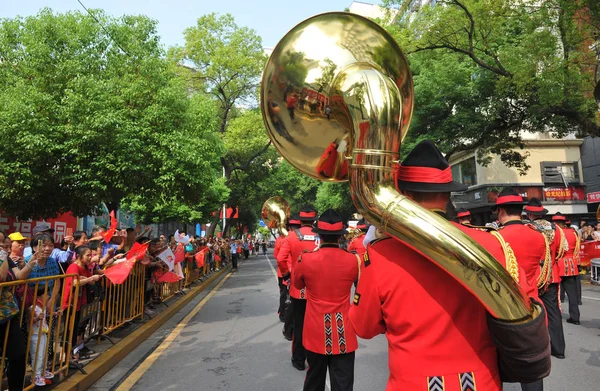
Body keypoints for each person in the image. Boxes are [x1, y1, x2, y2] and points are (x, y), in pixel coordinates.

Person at [350, 140, 549, 390]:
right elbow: (529, 312)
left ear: (405, 195)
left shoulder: (380, 254)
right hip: (481, 383)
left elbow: (364, 327)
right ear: (447, 194)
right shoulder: (491, 243)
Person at [293, 209, 359, 391]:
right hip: (344, 331)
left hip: (314, 331)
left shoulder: (306, 259)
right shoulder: (354, 260)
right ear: (340, 237)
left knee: (314, 380)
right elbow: (361, 293)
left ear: (319, 236)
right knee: (343, 384)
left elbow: (297, 286)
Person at [494, 188, 548, 391]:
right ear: (521, 210)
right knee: (532, 369)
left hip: (503, 309)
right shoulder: (539, 237)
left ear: (500, 210)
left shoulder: (495, 238)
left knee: (495, 366)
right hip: (532, 308)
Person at [524, 198, 567, 359]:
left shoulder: (528, 228)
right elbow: (562, 252)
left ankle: (536, 350)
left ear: (529, 214)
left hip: (533, 276)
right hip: (552, 276)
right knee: (554, 313)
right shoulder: (556, 229)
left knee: (532, 313)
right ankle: (559, 349)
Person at [279, 205, 319, 370]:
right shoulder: (320, 235)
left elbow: (281, 258)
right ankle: (315, 358)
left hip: (298, 290)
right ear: (314, 220)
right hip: (318, 289)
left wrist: (288, 275)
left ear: (300, 220)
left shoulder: (292, 236)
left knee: (299, 325)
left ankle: (299, 360)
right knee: (316, 325)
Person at [0, 236, 37, 391]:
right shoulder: (3, 257)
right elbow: (1, 277)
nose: (4, 246)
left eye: (5, 243)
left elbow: (19, 276)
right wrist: (2, 257)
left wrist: (30, 263)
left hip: (8, 314)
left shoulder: (6, 257)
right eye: (1, 243)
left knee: (18, 355)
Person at [61, 246, 103, 360]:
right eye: (88, 255)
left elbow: (90, 281)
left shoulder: (85, 267)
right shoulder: (74, 267)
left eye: (91, 255)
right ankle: (66, 356)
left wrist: (94, 278)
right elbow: (75, 283)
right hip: (70, 303)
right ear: (79, 256)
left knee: (76, 329)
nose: (90, 257)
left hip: (80, 303)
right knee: (69, 330)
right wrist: (90, 279)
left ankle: (72, 354)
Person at [552, 213, 581, 325]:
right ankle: (575, 317)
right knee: (572, 294)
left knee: (556, 293)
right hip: (571, 265)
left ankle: (556, 315)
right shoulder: (573, 232)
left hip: (559, 264)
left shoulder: (557, 233)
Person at [280, 216, 302, 341]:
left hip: (294, 276)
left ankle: (289, 330)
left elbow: (280, 258)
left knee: (294, 306)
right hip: (313, 280)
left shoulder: (289, 238)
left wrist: (286, 274)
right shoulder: (317, 237)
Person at [28, 287, 54, 387]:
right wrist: (38, 318)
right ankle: (36, 375)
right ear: (39, 296)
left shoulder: (41, 306)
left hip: (42, 333)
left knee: (44, 354)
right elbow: (31, 320)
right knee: (37, 355)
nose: (47, 296)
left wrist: (55, 313)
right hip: (35, 334)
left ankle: (43, 371)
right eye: (45, 294)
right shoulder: (32, 307)